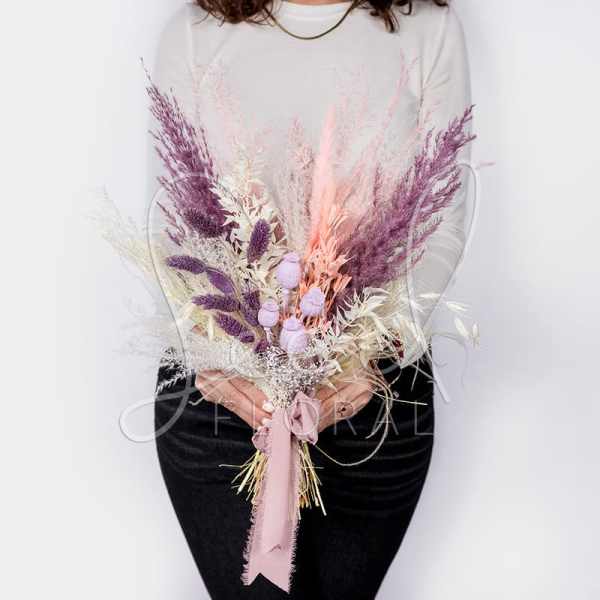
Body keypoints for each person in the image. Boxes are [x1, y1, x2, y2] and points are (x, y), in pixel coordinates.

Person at [150, 1, 471, 597]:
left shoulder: (428, 29)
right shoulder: (196, 33)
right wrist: (220, 359)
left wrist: (369, 353)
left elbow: (442, 221)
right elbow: (171, 225)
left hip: (375, 399)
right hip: (224, 401)